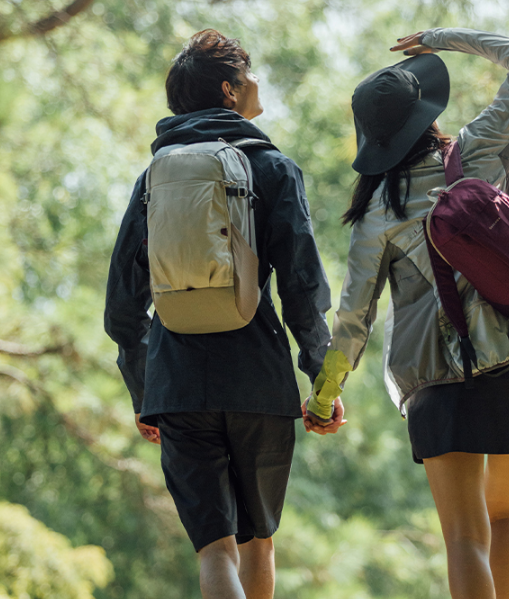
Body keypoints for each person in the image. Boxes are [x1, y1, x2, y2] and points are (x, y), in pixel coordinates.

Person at [304, 28, 509, 599]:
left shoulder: (375, 213)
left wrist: (324, 395)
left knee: (463, 539)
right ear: (427, 112)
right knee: (508, 522)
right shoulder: (476, 151)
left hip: (436, 385)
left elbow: (353, 319)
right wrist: (441, 39)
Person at [104, 29, 337, 599]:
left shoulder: (154, 179)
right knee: (258, 543)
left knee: (215, 552)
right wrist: (320, 377)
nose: (257, 82)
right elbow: (303, 288)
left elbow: (122, 305)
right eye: (249, 73)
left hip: (178, 384)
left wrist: (145, 393)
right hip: (258, 379)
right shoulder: (274, 169)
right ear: (230, 91)